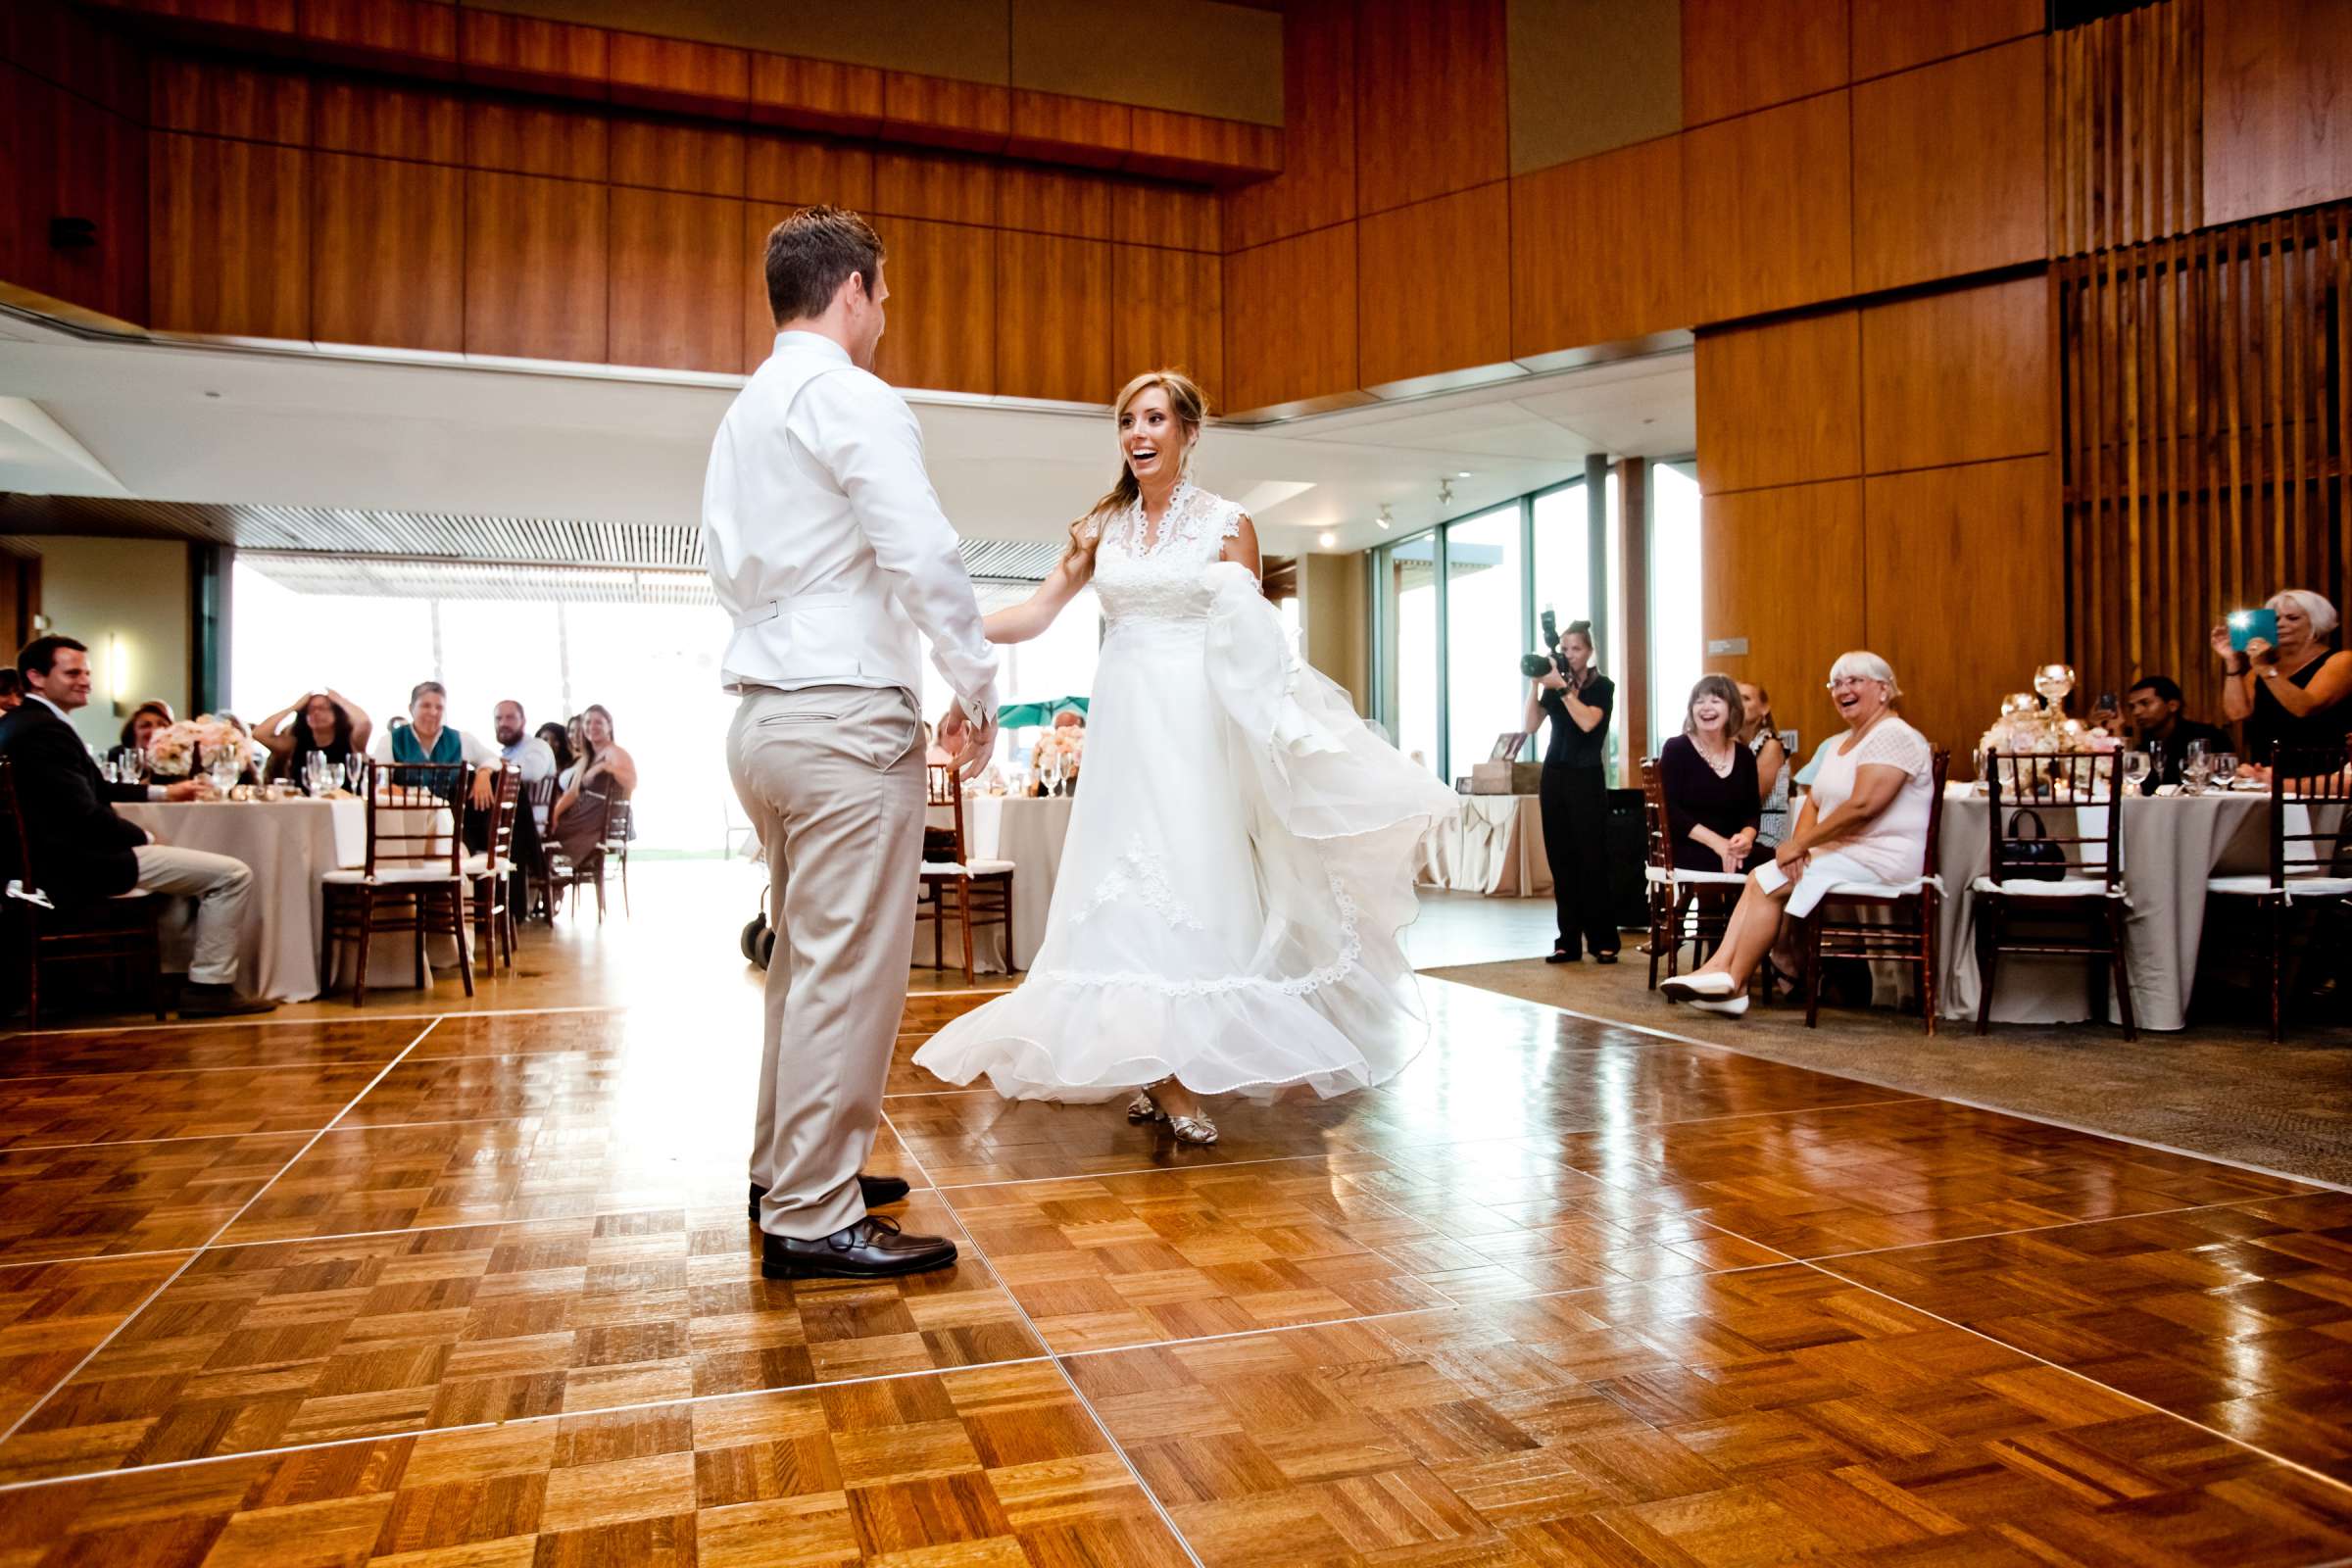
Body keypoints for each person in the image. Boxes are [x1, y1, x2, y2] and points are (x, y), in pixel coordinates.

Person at [913, 368, 1455, 1148]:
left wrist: (1286, 728)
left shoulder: (1228, 524)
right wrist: (955, 633)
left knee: (1193, 880)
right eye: (1129, 421)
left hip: (1194, 726)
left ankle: (1170, 1065)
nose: (1139, 434)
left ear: (1189, 433)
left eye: (1156, 419)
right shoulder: (1102, 525)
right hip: (1126, 725)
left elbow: (1254, 638)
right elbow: (1037, 611)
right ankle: (1157, 1069)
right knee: (1123, 886)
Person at [705, 206, 1000, 1282]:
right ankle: (813, 1210)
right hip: (839, 719)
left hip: (767, 720)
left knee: (802, 965)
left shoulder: (748, 408)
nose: (887, 312)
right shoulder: (850, 396)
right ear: (858, 288)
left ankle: (787, 1168)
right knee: (846, 974)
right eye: (886, 293)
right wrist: (977, 681)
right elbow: (922, 550)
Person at [0, 637, 272, 1016]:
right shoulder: (43, 731)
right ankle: (209, 988)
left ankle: (161, 980)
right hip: (73, 865)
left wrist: (164, 793)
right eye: (73, 672)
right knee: (232, 874)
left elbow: (96, 788)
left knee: (185, 875)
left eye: (88, 672)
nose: (86, 681)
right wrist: (139, 835)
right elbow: (80, 813)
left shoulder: (24, 723)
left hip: (40, 861)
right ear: (36, 677)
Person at [1660, 651, 1937, 1018]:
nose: (1843, 690)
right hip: (1843, 853)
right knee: (1762, 875)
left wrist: (1799, 844)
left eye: (1854, 681)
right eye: (1836, 683)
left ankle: (1730, 977)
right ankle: (1725, 977)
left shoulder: (1894, 735)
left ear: (1884, 690)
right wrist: (1797, 850)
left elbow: (1863, 806)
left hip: (1882, 857)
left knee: (1766, 877)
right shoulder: (1844, 741)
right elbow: (1813, 801)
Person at [1525, 618, 1618, 964]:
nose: (1569, 654)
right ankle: (1568, 941)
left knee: (1592, 859)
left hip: (1586, 777)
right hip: (1554, 776)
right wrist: (1536, 685)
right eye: (1564, 649)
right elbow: (1530, 726)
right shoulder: (1553, 686)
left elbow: (1588, 722)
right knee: (1561, 860)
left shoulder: (1601, 687)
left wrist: (1562, 688)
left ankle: (1604, 940)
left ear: (1590, 651)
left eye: (1576, 648)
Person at [2213, 589, 2350, 765]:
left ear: (2317, 621)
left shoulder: (2341, 661)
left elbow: (2304, 707)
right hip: (2267, 770)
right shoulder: (2261, 668)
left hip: (2320, 773)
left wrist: (2266, 669)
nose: (2280, 624)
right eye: (2275, 619)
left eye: (2292, 618)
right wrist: (2231, 661)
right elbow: (2237, 713)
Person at [1659, 675, 1763, 873]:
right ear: (1691, 710)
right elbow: (1669, 811)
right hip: (1689, 847)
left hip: (1733, 849)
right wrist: (1718, 844)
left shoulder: (1744, 755)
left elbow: (1752, 813)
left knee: (1778, 862)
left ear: (1732, 709)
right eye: (1699, 702)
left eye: (1715, 701)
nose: (1706, 707)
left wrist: (1746, 839)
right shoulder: (1676, 748)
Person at [369, 680, 498, 811]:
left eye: (439, 707)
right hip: (404, 819)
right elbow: (377, 781)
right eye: (426, 706)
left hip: (451, 822)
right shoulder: (391, 740)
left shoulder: (461, 739)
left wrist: (484, 773)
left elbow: (492, 759)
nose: (433, 712)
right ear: (411, 708)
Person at [550, 703, 636, 869]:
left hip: (598, 821)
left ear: (609, 725)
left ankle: (553, 874)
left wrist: (605, 767)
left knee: (544, 835)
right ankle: (548, 880)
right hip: (584, 815)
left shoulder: (614, 752)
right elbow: (572, 793)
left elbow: (632, 782)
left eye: (598, 722)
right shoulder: (587, 757)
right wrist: (554, 815)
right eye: (588, 722)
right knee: (544, 828)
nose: (592, 727)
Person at [2122, 675, 2230, 786]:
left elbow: (2220, 781)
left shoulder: (2207, 737)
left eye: (2145, 703)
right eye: (2132, 707)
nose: (2136, 712)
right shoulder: (2143, 745)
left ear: (2173, 705)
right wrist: (2116, 731)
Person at [255, 690, 370, 782]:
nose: (316, 713)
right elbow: (259, 734)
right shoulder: (296, 743)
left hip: (345, 807)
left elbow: (364, 722)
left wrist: (340, 700)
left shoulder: (351, 740)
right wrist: (293, 708)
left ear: (336, 713)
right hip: (305, 807)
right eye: (310, 709)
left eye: (323, 708)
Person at [1739, 681, 1790, 847]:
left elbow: (1753, 796)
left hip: (1766, 833)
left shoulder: (1770, 745)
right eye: (1735, 698)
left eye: (1746, 698)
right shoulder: (1733, 745)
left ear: (1764, 708)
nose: (1738, 703)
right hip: (1742, 830)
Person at [494, 700, 557, 787]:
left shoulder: (538, 745)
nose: (503, 723)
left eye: (510, 717)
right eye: (498, 718)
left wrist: (492, 764)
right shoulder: (507, 754)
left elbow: (533, 773)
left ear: (523, 721)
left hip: (528, 800)